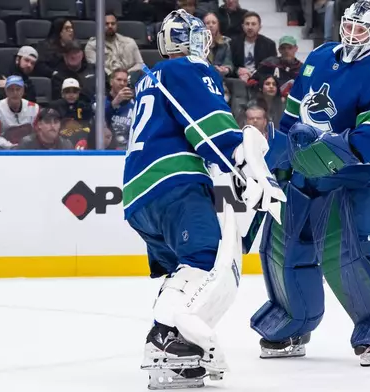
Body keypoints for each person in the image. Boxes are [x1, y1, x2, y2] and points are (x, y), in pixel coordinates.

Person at [123, 9, 285, 389]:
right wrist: (242, 161)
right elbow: (209, 125)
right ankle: (167, 340)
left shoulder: (151, 78)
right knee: (205, 257)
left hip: (139, 195)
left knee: (186, 266)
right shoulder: (190, 69)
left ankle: (179, 344)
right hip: (174, 182)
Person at [250, 0, 370, 367]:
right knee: (282, 245)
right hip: (304, 168)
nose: (353, 34)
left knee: (346, 251)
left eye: (361, 29)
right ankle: (292, 321)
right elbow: (291, 119)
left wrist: (339, 149)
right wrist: (274, 164)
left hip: (354, 174)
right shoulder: (319, 56)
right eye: (349, 26)